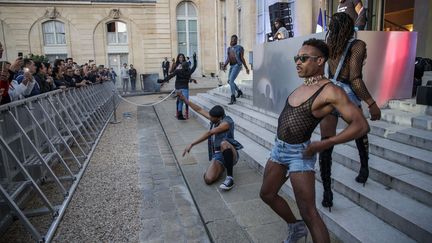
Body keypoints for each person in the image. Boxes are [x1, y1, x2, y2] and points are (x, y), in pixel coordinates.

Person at [259, 38, 369, 243]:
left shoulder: (331, 91)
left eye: (303, 58)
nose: (297, 62)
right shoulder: (303, 85)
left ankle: (303, 225)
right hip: (278, 150)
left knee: (309, 212)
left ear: (320, 61)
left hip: (299, 154)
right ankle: (295, 226)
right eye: (296, 58)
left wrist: (325, 143)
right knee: (267, 194)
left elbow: (361, 125)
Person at [319, 12, 381, 210]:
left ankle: (327, 192)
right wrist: (371, 103)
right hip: (347, 97)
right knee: (360, 131)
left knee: (326, 143)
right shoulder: (357, 45)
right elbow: (355, 78)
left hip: (329, 95)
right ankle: (364, 168)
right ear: (349, 26)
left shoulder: (328, 46)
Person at [180, 94, 243, 191]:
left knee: (224, 143)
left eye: (212, 118)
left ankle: (230, 178)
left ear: (219, 117)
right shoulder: (215, 119)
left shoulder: (227, 123)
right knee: (208, 179)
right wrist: (185, 100)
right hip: (218, 155)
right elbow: (199, 110)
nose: (210, 118)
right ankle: (221, 166)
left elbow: (210, 133)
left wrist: (192, 144)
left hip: (231, 151)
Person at [158, 53, 197, 120]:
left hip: (178, 88)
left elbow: (170, 76)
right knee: (186, 101)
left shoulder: (178, 71)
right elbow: (194, 66)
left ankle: (180, 115)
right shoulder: (189, 72)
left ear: (182, 66)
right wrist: (194, 59)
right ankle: (184, 115)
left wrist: (162, 80)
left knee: (179, 101)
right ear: (187, 67)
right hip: (185, 88)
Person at [223, 35, 250, 105]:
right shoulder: (229, 49)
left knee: (231, 80)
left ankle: (233, 97)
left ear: (236, 41)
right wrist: (224, 65)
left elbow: (242, 58)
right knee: (229, 81)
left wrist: (246, 68)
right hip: (232, 66)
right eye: (232, 39)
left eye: (234, 40)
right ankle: (239, 91)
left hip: (237, 65)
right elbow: (228, 58)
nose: (232, 41)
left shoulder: (240, 48)